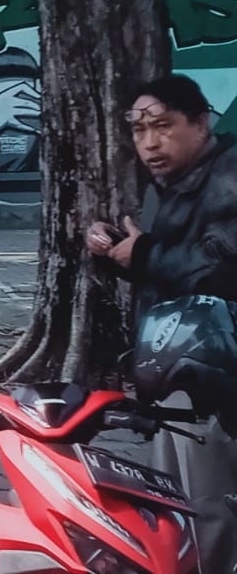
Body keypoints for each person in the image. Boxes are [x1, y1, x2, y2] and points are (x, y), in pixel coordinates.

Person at [85, 74, 237, 572]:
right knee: (174, 493)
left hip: (218, 372)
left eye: (163, 126)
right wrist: (115, 251)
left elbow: (221, 267)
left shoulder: (229, 175)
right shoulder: (165, 185)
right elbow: (160, 265)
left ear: (200, 123)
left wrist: (144, 251)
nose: (149, 142)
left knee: (210, 498)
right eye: (138, 129)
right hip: (172, 367)